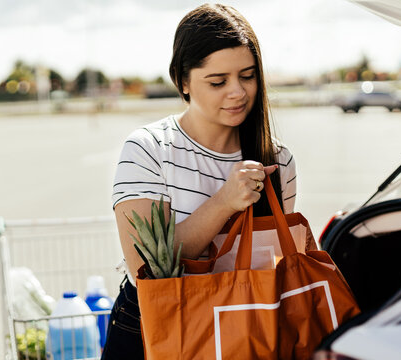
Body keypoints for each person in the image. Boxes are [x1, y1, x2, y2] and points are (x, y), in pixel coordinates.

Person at [102, 4, 305, 359]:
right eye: (218, 81)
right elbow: (144, 267)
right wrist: (224, 201)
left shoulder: (278, 161)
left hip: (244, 326)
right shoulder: (149, 149)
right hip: (156, 328)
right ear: (182, 80)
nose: (238, 92)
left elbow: (274, 263)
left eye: (248, 75)